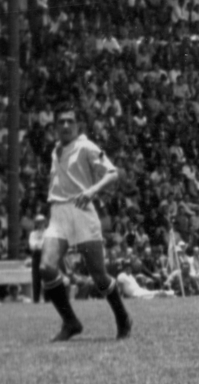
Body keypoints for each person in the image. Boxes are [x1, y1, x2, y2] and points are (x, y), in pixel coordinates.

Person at [37, 107, 132, 341]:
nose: (66, 126)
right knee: (46, 267)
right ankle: (70, 322)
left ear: (78, 126)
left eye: (70, 122)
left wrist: (91, 191)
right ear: (56, 127)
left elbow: (112, 173)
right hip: (59, 213)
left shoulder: (86, 146)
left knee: (99, 276)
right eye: (61, 122)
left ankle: (123, 317)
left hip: (82, 212)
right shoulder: (56, 150)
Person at [28, 213, 47, 303]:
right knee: (36, 279)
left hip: (46, 255)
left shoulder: (48, 232)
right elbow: (32, 245)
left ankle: (48, 300)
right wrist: (40, 244)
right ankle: (36, 300)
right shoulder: (33, 233)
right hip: (36, 256)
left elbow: (47, 244)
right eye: (38, 222)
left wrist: (39, 244)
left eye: (42, 222)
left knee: (47, 278)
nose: (40, 224)